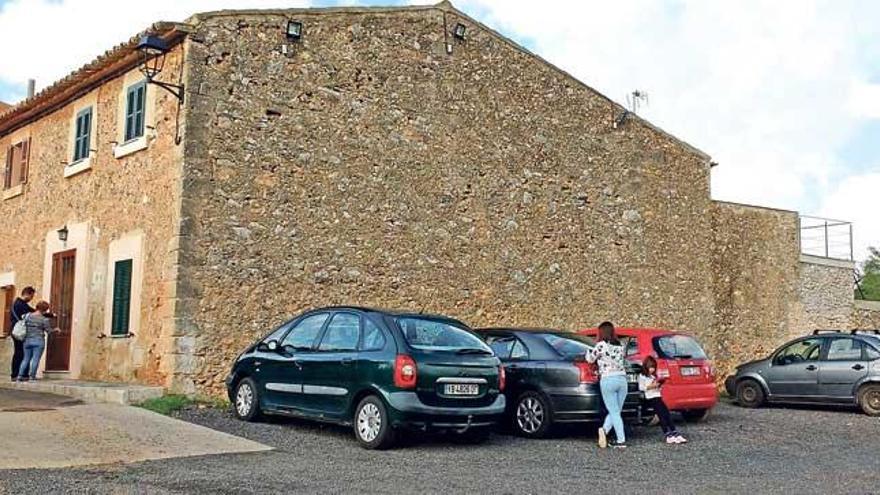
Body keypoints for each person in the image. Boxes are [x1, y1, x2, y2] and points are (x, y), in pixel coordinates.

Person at [586, 321, 628, 448]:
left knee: (614, 411)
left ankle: (621, 441)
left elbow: (590, 359)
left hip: (608, 379)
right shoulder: (620, 345)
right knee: (616, 411)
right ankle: (603, 431)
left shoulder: (600, 345)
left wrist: (587, 352)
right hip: (622, 379)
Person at [638, 356, 687, 444]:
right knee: (661, 415)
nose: (652, 370)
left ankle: (675, 433)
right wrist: (651, 386)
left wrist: (658, 385)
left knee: (667, 413)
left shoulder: (653, 376)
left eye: (653, 367)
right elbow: (642, 387)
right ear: (646, 367)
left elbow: (657, 388)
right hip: (651, 397)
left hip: (657, 395)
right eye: (650, 367)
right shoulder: (642, 376)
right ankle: (668, 434)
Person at [16, 301, 58, 382]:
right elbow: (48, 331)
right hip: (38, 341)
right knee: (35, 359)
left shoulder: (27, 316)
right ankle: (32, 377)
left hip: (27, 340)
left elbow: (21, 318)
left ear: (37, 307)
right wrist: (55, 329)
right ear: (45, 310)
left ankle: (19, 376)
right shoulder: (44, 319)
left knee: (25, 359)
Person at [9, 287, 36, 381]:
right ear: (27, 294)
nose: (32, 298)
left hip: (15, 331)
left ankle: (17, 375)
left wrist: (48, 314)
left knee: (19, 352)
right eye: (32, 296)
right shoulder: (21, 305)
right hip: (19, 332)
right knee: (21, 353)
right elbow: (32, 314)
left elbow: (34, 312)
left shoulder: (18, 303)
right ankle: (19, 374)